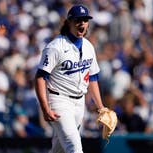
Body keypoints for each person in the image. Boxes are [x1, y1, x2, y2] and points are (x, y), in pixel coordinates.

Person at [34, 4, 105, 153]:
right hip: (59, 101)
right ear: (69, 22)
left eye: (85, 20)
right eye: (78, 20)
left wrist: (101, 107)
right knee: (74, 146)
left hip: (79, 102)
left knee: (59, 149)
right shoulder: (55, 47)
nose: (82, 23)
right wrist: (45, 107)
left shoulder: (88, 46)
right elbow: (40, 78)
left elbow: (92, 78)